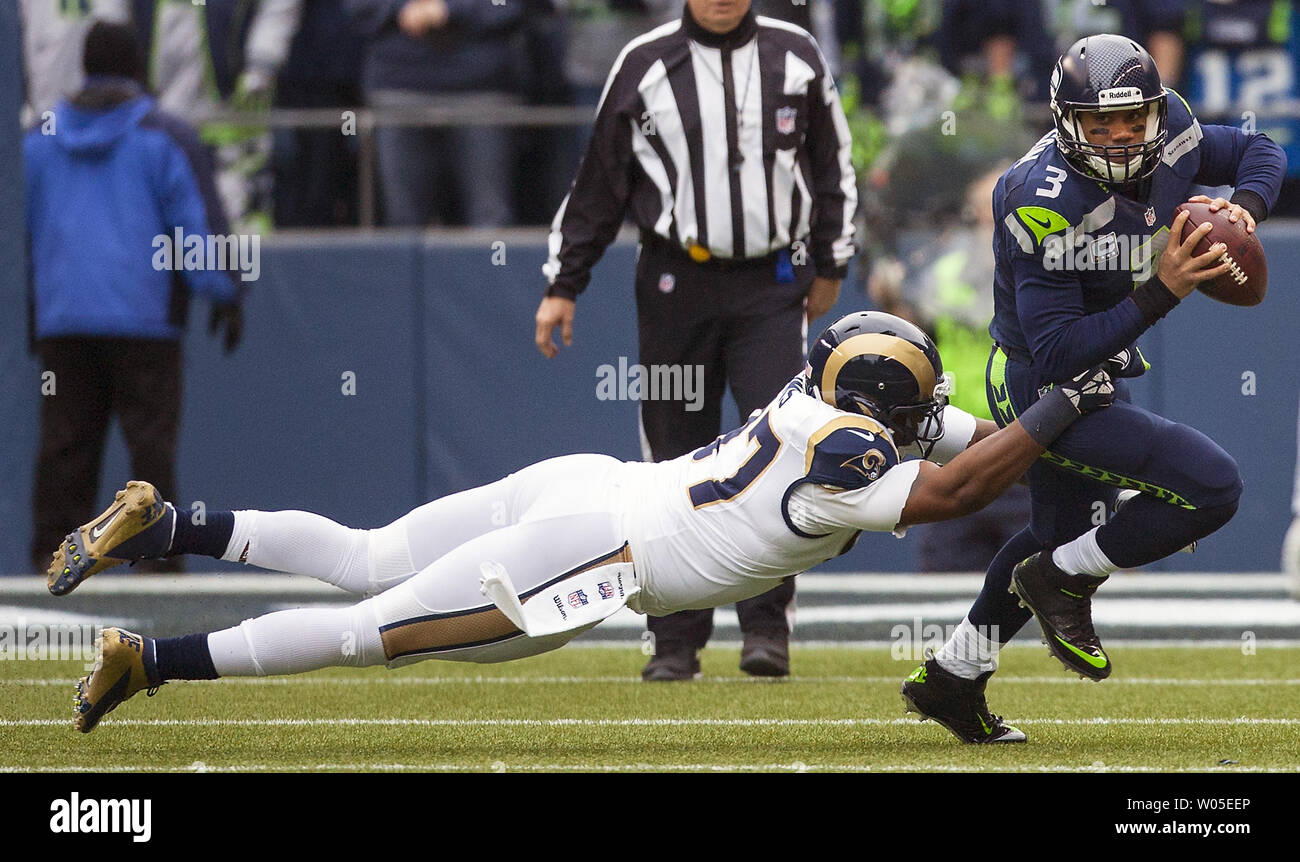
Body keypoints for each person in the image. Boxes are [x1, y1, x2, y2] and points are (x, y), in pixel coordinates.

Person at [51, 312, 1118, 735]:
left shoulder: (812, 399)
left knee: (369, 550)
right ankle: (148, 660)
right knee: (363, 631)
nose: (930, 413)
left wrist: (1056, 412)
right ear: (878, 405)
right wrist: (1068, 404)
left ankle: (164, 528)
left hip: (586, 485)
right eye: (915, 400)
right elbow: (965, 487)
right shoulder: (844, 458)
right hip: (593, 561)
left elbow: (974, 438)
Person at [903, 34, 1286, 743]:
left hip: (1099, 365)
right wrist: (1162, 292)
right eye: (1099, 123)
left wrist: (1248, 208)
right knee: (1214, 486)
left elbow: (1260, 152)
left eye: (1131, 120)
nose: (1118, 136)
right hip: (1041, 384)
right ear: (1064, 120)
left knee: (1056, 535)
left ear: (1152, 112)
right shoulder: (1037, 197)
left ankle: (953, 678)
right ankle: (1061, 579)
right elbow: (1056, 353)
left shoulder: (1172, 127)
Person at [535, 0, 857, 680]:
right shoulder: (644, 64)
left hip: (772, 283)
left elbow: (835, 165)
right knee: (674, 457)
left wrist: (831, 261)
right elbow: (599, 182)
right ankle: (674, 639)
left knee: (779, 444)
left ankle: (767, 628)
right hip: (676, 280)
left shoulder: (795, 54)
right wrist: (564, 282)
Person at [25, 21, 243, 575]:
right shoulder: (165, 135)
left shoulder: (38, 140)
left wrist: (35, 314)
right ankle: (157, 574)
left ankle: (48, 576)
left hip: (64, 324)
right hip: (146, 326)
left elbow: (20, 236)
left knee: (65, 456)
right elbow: (196, 235)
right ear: (138, 64)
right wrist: (225, 291)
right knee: (149, 459)